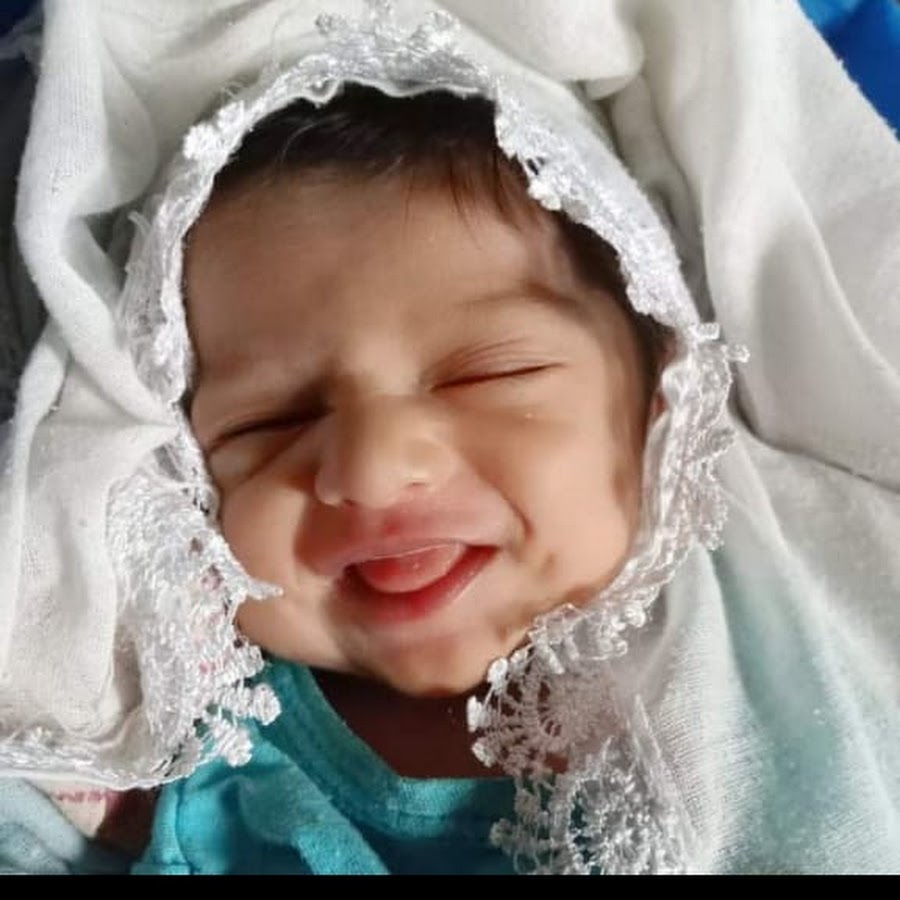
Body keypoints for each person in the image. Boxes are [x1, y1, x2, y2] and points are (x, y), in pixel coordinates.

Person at [2, 0, 899, 875]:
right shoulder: (179, 762)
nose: (371, 468)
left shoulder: (809, 614)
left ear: (662, 389)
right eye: (271, 422)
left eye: (488, 374)